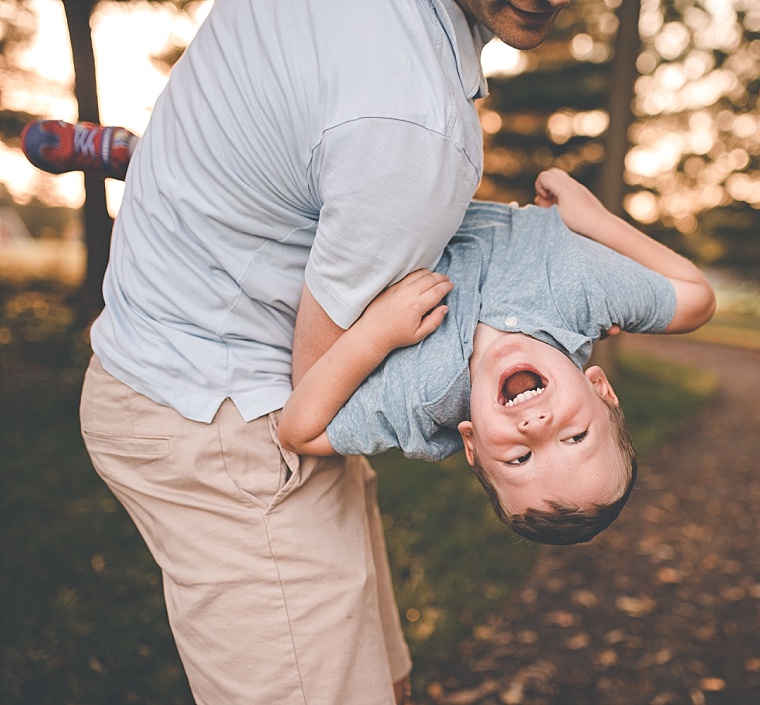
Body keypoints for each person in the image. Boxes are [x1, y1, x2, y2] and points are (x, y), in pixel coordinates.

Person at [73, 0, 571, 701]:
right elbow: (320, 390)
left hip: (210, 378)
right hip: (233, 426)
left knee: (382, 682)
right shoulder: (416, 127)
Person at [275, 168, 716, 545]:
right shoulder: (583, 292)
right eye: (576, 437)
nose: (537, 428)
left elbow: (298, 433)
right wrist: (596, 220)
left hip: (356, 199)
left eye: (519, 459)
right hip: (437, 174)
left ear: (472, 444)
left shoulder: (423, 396)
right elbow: (697, 300)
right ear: (600, 390)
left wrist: (374, 337)